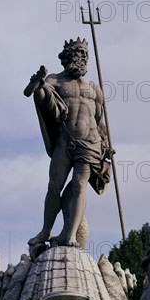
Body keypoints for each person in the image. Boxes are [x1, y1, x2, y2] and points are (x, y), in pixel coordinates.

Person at [24, 37, 112, 248]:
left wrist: (106, 144)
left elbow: (100, 121)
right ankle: (46, 231)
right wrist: (37, 83)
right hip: (65, 142)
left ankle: (70, 234)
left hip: (90, 144)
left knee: (80, 185)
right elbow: (31, 92)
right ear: (66, 58)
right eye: (77, 54)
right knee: (54, 186)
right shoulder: (55, 80)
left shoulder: (94, 88)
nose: (81, 59)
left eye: (84, 55)